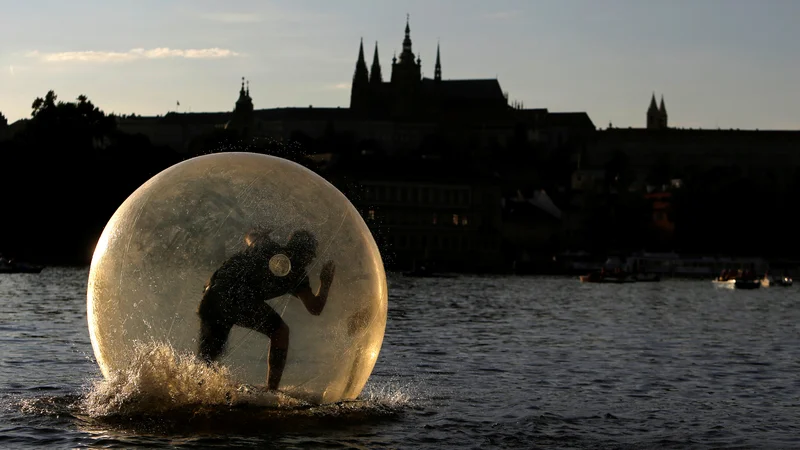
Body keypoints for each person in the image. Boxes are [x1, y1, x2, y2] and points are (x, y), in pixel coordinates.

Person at [197, 226, 336, 391]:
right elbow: (315, 308)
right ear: (304, 253)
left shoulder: (268, 247)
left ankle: (193, 390)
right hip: (235, 298)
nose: (311, 260)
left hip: (211, 296)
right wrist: (325, 283)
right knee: (280, 332)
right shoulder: (296, 273)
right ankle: (271, 390)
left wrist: (257, 233)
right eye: (310, 255)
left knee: (208, 359)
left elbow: (251, 235)